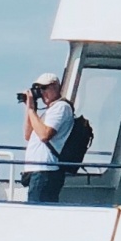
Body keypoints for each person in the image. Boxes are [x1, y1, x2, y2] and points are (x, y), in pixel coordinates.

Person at [22, 72, 73, 204]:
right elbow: (28, 135)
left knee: (37, 214)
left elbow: (45, 135)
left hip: (46, 171)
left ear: (56, 87)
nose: (41, 92)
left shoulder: (61, 107)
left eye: (44, 88)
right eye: (39, 89)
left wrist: (32, 111)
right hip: (38, 171)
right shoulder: (50, 111)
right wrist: (30, 109)